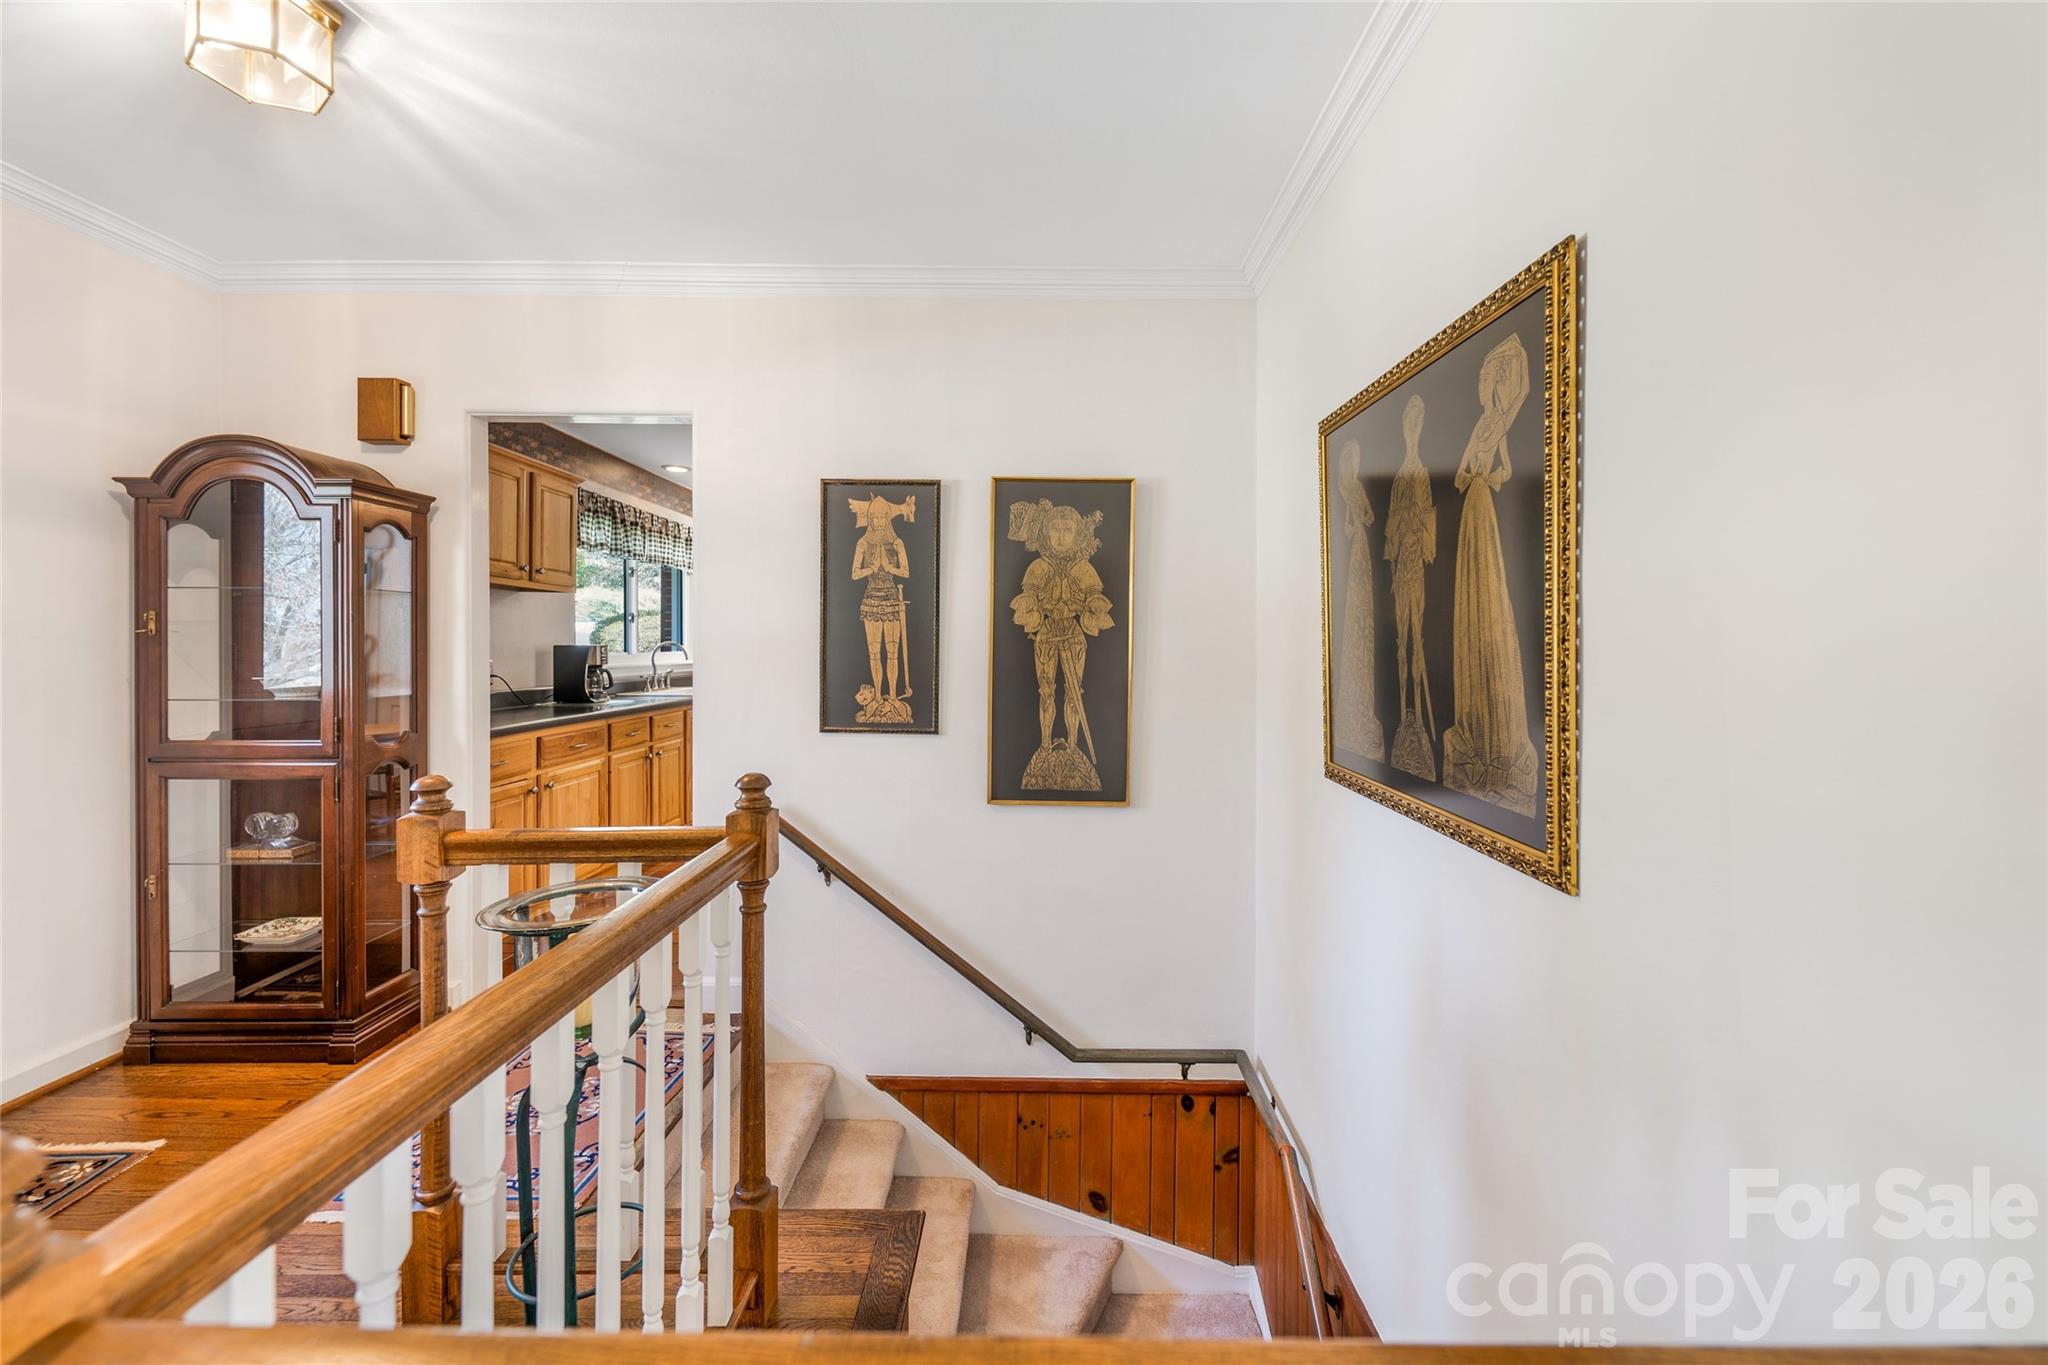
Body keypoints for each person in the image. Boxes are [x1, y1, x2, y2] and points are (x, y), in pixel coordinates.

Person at [1443, 333, 1540, 816]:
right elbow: (1460, 475)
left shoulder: (1496, 426)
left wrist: (1485, 473)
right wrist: (1474, 472)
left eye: (1499, 380)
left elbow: (1505, 473)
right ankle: (1476, 725)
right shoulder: (1483, 423)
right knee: (1473, 609)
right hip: (1471, 516)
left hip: (1484, 516)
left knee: (1490, 604)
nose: (1494, 388)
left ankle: (1499, 732)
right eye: (1492, 380)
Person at [1007, 499, 1113, 790]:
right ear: (1046, 533)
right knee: (1046, 691)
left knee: (1074, 692)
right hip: (1045, 634)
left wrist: (1096, 607)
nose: (1062, 536)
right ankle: (1044, 745)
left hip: (1073, 633)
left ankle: (1073, 745)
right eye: (1056, 530)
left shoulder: (1084, 567)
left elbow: (1094, 596)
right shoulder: (1038, 566)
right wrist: (1030, 610)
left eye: (1068, 530)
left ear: (1078, 534)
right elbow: (1028, 595)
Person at [1383, 394, 1438, 780]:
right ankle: (1405, 717)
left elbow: (1429, 540)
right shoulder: (1399, 477)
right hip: (1401, 571)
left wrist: (1417, 524)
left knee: (1416, 641)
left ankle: (1418, 718)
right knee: (1401, 643)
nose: (1412, 429)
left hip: (1415, 569)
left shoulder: (1421, 477)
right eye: (1408, 421)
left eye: (1418, 421)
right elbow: (1389, 535)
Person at [1332, 437, 1385, 763]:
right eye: (1351, 456)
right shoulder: (1347, 489)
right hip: (1356, 554)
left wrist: (1358, 519)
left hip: (1361, 552)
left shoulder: (1351, 489)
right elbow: (1358, 522)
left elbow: (1363, 519)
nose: (1354, 461)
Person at [849, 493, 915, 724]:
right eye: (874, 518)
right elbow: (855, 573)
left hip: (891, 598)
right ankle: (877, 696)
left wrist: (888, 567)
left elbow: (906, 572)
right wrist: (872, 569)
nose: (877, 522)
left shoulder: (897, 543)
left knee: (893, 651)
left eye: (881, 518)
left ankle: (894, 695)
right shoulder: (862, 543)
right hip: (871, 599)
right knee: (875, 652)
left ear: (887, 518)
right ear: (869, 518)